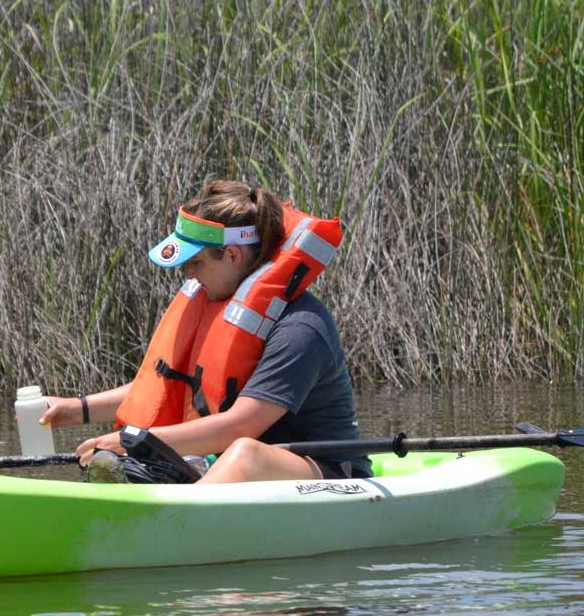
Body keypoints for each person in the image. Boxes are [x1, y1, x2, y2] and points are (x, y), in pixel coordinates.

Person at [38, 180, 369, 483]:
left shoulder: (300, 328)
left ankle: (167, 530)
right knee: (134, 463)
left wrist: (134, 440)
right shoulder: (214, 306)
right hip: (230, 465)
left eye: (195, 262)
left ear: (231, 255)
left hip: (328, 472)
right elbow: (164, 385)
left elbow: (242, 425)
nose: (188, 274)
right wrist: (75, 408)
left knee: (245, 454)